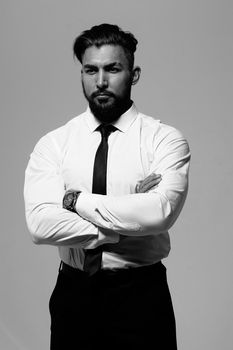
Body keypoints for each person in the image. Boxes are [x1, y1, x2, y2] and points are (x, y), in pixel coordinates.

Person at [24, 23, 191, 350]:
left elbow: (158, 214)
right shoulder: (55, 144)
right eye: (91, 70)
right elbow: (40, 226)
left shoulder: (164, 140)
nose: (100, 81)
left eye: (112, 69)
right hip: (73, 293)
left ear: (134, 74)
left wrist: (72, 200)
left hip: (141, 296)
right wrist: (126, 215)